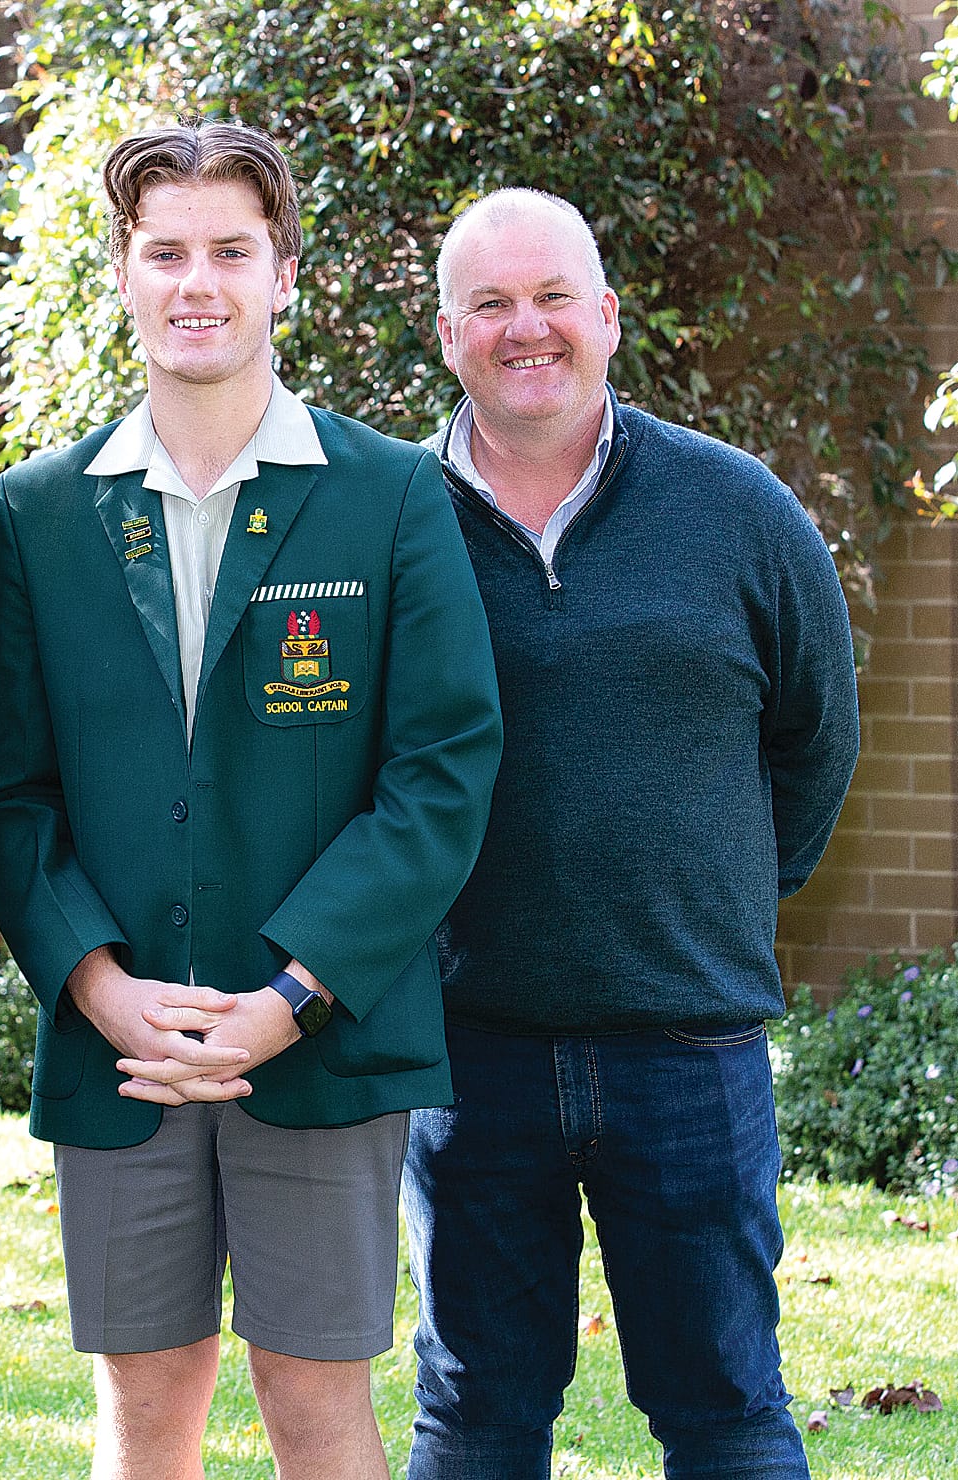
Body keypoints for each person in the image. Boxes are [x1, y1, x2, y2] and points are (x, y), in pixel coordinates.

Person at [0, 120, 503, 1480]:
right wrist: (98, 989)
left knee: (315, 1406)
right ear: (123, 275)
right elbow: (9, 791)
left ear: (285, 279)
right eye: (165, 253)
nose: (196, 281)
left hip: (319, 1038)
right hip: (124, 1040)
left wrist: (287, 998)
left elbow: (441, 770)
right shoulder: (40, 510)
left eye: (229, 251)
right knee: (145, 1416)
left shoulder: (387, 497)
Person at [404, 187, 860, 1479]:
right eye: (489, 304)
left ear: (606, 318)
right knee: (475, 1415)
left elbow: (815, 738)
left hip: (686, 1048)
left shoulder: (735, 510)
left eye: (552, 296)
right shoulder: (391, 524)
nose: (524, 327)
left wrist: (712, 900)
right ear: (446, 335)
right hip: (466, 1052)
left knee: (725, 1409)